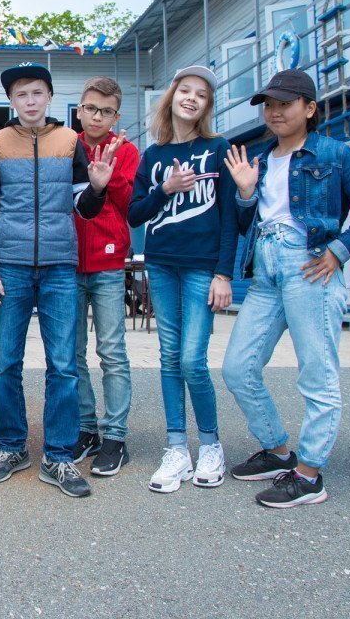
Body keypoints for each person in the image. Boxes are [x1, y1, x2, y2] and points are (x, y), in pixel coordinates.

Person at [221, 69, 350, 508]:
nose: (274, 112)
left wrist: (340, 250)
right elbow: (246, 223)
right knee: (237, 368)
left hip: (311, 268)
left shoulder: (333, 153)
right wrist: (245, 193)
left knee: (317, 374)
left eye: (285, 104)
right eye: (269, 105)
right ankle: (278, 451)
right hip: (266, 272)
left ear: (310, 108)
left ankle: (310, 474)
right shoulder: (261, 159)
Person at [0, 61, 116, 498]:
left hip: (59, 267)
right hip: (10, 266)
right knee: (5, 364)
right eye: (21, 94)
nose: (30, 101)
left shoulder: (70, 141)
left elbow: (84, 208)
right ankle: (11, 446)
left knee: (63, 366)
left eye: (37, 92)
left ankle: (58, 455)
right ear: (11, 101)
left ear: (50, 96)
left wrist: (97, 187)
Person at [128, 66, 239, 493]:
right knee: (169, 357)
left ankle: (211, 444)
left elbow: (230, 217)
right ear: (172, 97)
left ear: (207, 106)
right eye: (185, 90)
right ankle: (177, 448)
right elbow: (135, 214)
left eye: (202, 94)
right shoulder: (153, 155)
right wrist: (166, 189)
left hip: (201, 267)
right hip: (161, 265)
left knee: (193, 359)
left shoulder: (218, 148)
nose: (192, 98)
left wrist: (223, 273)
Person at [71, 76, 140, 477]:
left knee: (111, 351)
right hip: (68, 263)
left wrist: (109, 174)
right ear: (79, 110)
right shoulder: (66, 145)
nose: (97, 117)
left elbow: (132, 205)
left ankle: (115, 435)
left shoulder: (126, 151)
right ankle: (86, 428)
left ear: (117, 115)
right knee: (72, 352)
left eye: (107, 111)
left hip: (109, 264)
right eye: (91, 108)